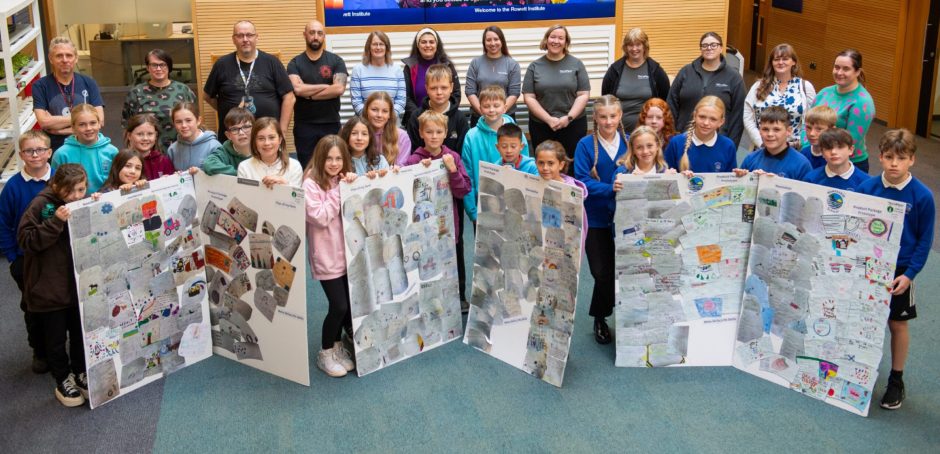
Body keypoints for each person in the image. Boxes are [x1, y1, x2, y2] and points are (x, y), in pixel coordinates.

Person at [856, 129, 935, 411]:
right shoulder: (867, 188)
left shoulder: (923, 197)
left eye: (901, 158)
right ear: (880, 157)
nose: (893, 164)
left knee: (896, 323)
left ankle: (896, 379)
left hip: (900, 270)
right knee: (863, 318)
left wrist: (909, 275)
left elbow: (924, 242)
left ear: (912, 160)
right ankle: (858, 370)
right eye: (888, 157)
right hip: (867, 265)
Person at [17, 164, 89, 407]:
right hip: (49, 290)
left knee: (79, 334)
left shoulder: (82, 200)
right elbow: (26, 240)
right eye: (71, 191)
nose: (78, 196)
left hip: (75, 286)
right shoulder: (40, 205)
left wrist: (96, 206)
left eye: (82, 189)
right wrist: (55, 222)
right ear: (56, 187)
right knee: (56, 340)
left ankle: (80, 371)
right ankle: (63, 378)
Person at [405, 66, 470, 307]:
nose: (439, 92)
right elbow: (414, 151)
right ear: (426, 89)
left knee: (456, 241)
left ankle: (459, 294)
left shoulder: (460, 118)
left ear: (452, 88)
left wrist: (451, 170)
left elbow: (460, 154)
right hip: (424, 197)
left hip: (451, 196)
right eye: (434, 88)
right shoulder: (416, 118)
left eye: (444, 87)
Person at [573, 95, 628, 344]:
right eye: (603, 116)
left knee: (626, 270)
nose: (608, 121)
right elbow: (582, 181)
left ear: (620, 116)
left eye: (613, 116)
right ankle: (600, 316)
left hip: (626, 217)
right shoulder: (585, 145)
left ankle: (628, 318)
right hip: (595, 218)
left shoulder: (630, 142)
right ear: (594, 117)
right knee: (601, 272)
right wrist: (610, 189)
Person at [304, 135, 357, 378]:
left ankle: (336, 347)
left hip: (347, 254)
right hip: (326, 257)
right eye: (329, 158)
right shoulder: (310, 184)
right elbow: (320, 217)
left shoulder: (343, 179)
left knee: (347, 307)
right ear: (319, 158)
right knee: (339, 306)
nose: (334, 163)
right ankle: (325, 352)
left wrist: (349, 185)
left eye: (338, 158)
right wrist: (340, 191)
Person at [0, 130, 53, 374]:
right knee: (32, 307)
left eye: (40, 150)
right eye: (29, 151)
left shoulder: (59, 180)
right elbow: (3, 223)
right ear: (21, 155)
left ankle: (58, 347)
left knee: (62, 302)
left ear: (49, 152)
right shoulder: (13, 187)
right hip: (27, 259)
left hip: (58, 257)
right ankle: (39, 350)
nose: (35, 155)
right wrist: (12, 257)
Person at [203, 20, 295, 135]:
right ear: (233, 39)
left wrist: (282, 130)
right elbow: (207, 96)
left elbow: (289, 97)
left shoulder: (272, 62)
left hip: (266, 136)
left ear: (256, 37)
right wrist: (225, 109)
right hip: (233, 136)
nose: (245, 39)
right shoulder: (221, 64)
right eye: (240, 35)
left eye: (249, 35)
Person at [523, 24, 591, 164]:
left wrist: (569, 117)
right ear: (546, 40)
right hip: (542, 126)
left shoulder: (576, 64)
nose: (556, 41)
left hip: (573, 125)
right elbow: (529, 97)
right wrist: (548, 119)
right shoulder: (534, 66)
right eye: (552, 37)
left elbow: (583, 94)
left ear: (566, 42)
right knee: (545, 166)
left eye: (561, 38)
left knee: (571, 165)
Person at [462, 86, 531, 222]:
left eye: (496, 105)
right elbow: (467, 174)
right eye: (486, 106)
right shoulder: (471, 136)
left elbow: (525, 169)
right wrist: (472, 211)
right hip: (483, 206)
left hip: (512, 206)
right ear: (480, 108)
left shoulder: (517, 134)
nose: (492, 110)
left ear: (505, 108)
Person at [668, 32, 746, 147]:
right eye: (705, 45)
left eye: (713, 45)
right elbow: (671, 105)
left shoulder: (734, 78)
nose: (709, 48)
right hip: (684, 139)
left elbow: (738, 117)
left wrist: (731, 146)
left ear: (721, 48)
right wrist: (672, 136)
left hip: (718, 143)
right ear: (701, 49)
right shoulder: (686, 72)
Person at [288, 20, 348, 168]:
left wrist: (308, 93)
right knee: (307, 167)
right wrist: (326, 87)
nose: (316, 37)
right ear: (305, 35)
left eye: (320, 33)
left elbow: (339, 89)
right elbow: (297, 89)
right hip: (304, 126)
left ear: (324, 36)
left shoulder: (336, 61)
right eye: (312, 33)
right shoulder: (294, 63)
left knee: (333, 167)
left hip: (331, 124)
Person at [404, 110, 471, 241]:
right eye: (429, 132)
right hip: (423, 229)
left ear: (445, 133)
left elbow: (463, 191)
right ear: (421, 133)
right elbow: (407, 192)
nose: (434, 136)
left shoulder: (454, 158)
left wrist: (453, 170)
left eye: (439, 132)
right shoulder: (413, 161)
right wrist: (420, 172)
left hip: (447, 226)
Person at [810, 49, 876, 173]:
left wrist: (820, 151)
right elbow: (807, 124)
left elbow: (850, 141)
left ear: (857, 72)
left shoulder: (863, 102)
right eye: (836, 67)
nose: (839, 72)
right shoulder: (824, 92)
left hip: (847, 165)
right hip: (817, 156)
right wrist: (808, 148)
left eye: (846, 69)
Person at [33, 37, 105, 151]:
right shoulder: (40, 86)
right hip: (56, 148)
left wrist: (58, 129)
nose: (65, 60)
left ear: (76, 58)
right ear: (51, 59)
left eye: (69, 55)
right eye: (59, 56)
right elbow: (44, 122)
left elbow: (100, 120)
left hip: (87, 146)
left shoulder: (89, 82)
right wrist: (84, 121)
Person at [121, 49, 197, 152]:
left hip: (179, 149)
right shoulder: (136, 93)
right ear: (148, 67)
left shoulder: (183, 90)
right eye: (154, 65)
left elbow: (194, 121)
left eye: (162, 65)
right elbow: (127, 127)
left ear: (169, 67)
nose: (158, 68)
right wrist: (130, 154)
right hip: (146, 151)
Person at [743, 43, 815, 150]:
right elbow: (748, 117)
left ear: (793, 62)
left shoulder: (805, 87)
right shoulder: (759, 86)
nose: (780, 62)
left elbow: (812, 119)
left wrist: (801, 142)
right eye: (776, 59)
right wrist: (761, 143)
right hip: (763, 147)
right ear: (772, 63)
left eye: (785, 59)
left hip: (794, 150)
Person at [601, 27, 671, 131]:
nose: (634, 49)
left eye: (638, 44)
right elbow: (606, 99)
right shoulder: (615, 70)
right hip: (618, 131)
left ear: (644, 46)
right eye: (630, 45)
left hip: (648, 131)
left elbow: (665, 101)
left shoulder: (655, 70)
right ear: (625, 47)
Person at [50, 104, 118, 194]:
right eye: (82, 125)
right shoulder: (61, 154)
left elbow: (118, 181)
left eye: (93, 123)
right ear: (73, 127)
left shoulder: (112, 151)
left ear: (99, 124)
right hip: (74, 202)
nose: (88, 128)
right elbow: (54, 186)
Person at [401, 28, 460, 125]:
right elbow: (406, 97)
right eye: (424, 42)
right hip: (417, 121)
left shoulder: (447, 65)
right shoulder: (409, 67)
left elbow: (456, 94)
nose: (428, 45)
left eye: (431, 42)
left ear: (437, 45)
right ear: (418, 45)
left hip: (444, 120)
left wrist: (443, 114)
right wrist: (420, 116)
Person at [465, 26, 521, 127]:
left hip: (505, 117)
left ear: (502, 41)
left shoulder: (512, 64)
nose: (493, 43)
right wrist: (484, 112)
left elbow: (514, 93)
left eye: (496, 39)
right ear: (484, 43)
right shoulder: (475, 63)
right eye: (489, 40)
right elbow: (470, 91)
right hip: (479, 117)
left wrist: (498, 113)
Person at [533, 140, 588, 244]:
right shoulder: (533, 183)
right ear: (535, 163)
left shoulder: (571, 190)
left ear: (561, 165)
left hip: (564, 246)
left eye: (550, 163)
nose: (545, 168)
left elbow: (579, 227)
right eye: (541, 163)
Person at [664, 96, 736, 173]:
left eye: (713, 119)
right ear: (694, 115)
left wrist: (739, 175)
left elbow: (730, 181)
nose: (706, 123)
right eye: (702, 117)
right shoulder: (676, 142)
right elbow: (666, 179)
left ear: (721, 122)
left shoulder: (728, 146)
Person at [736, 106, 812, 180]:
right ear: (759, 131)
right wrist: (742, 180)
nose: (770, 134)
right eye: (765, 129)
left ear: (789, 131)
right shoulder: (750, 159)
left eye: (776, 129)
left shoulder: (801, 164)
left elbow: (807, 192)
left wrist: (777, 183)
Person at [349, 31, 406, 117]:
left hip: (390, 122)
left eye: (381, 44)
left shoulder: (397, 70)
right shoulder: (358, 70)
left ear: (387, 48)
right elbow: (356, 101)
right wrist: (370, 118)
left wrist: (387, 117)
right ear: (369, 47)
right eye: (375, 44)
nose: (378, 47)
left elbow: (401, 100)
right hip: (365, 122)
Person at [237, 117, 303, 187]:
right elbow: (243, 197)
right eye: (261, 138)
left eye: (271, 137)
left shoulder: (294, 166)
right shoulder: (244, 167)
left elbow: (296, 197)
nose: (267, 143)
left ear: (280, 139)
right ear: (254, 141)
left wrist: (283, 185)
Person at [801, 128, 869, 191]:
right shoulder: (811, 179)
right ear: (822, 153)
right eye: (828, 148)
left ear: (851, 150)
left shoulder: (866, 182)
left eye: (840, 147)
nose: (833, 152)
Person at [167, 102, 221, 172]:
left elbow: (222, 176)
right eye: (178, 122)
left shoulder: (214, 147)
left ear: (198, 121)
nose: (184, 125)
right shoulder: (172, 150)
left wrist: (201, 173)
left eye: (188, 120)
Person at [203, 108, 255, 176]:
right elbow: (209, 164)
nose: (241, 133)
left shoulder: (263, 148)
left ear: (254, 129)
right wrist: (240, 175)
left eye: (246, 127)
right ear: (228, 135)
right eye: (234, 129)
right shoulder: (224, 151)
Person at [364, 91, 411, 166]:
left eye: (385, 111)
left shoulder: (402, 136)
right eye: (374, 110)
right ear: (366, 111)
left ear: (390, 114)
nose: (379, 115)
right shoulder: (357, 134)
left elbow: (401, 169)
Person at [125, 113, 175, 181]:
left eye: (150, 134)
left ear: (156, 136)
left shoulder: (164, 162)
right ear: (129, 136)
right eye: (140, 134)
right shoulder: (123, 161)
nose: (145, 138)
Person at [800, 105, 838, 169]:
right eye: (808, 128)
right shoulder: (804, 153)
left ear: (832, 130)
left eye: (819, 129)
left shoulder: (835, 157)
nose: (812, 133)